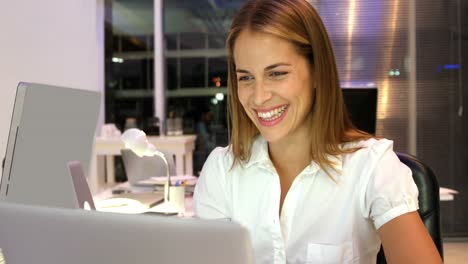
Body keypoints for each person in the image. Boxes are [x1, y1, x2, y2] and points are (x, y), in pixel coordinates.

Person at [193, 0, 442, 263]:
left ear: (316, 73)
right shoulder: (222, 170)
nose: (259, 96)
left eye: (276, 73)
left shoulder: (372, 167)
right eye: (246, 77)